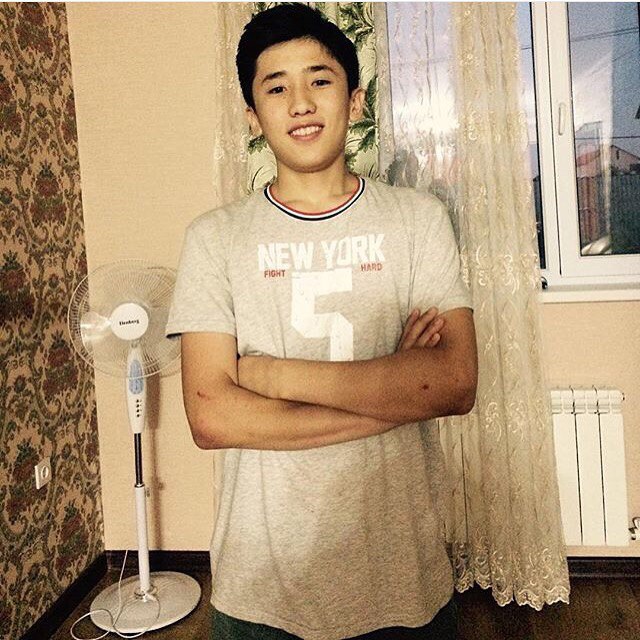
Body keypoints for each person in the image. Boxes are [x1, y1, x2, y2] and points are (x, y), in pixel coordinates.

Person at [166, 4, 478, 639]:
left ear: (355, 101)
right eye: (276, 87)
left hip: (403, 577)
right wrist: (396, 392)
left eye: (320, 80)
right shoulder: (214, 238)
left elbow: (454, 383)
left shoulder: (419, 219)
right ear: (252, 117)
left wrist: (270, 376)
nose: (301, 103)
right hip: (261, 587)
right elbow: (212, 417)